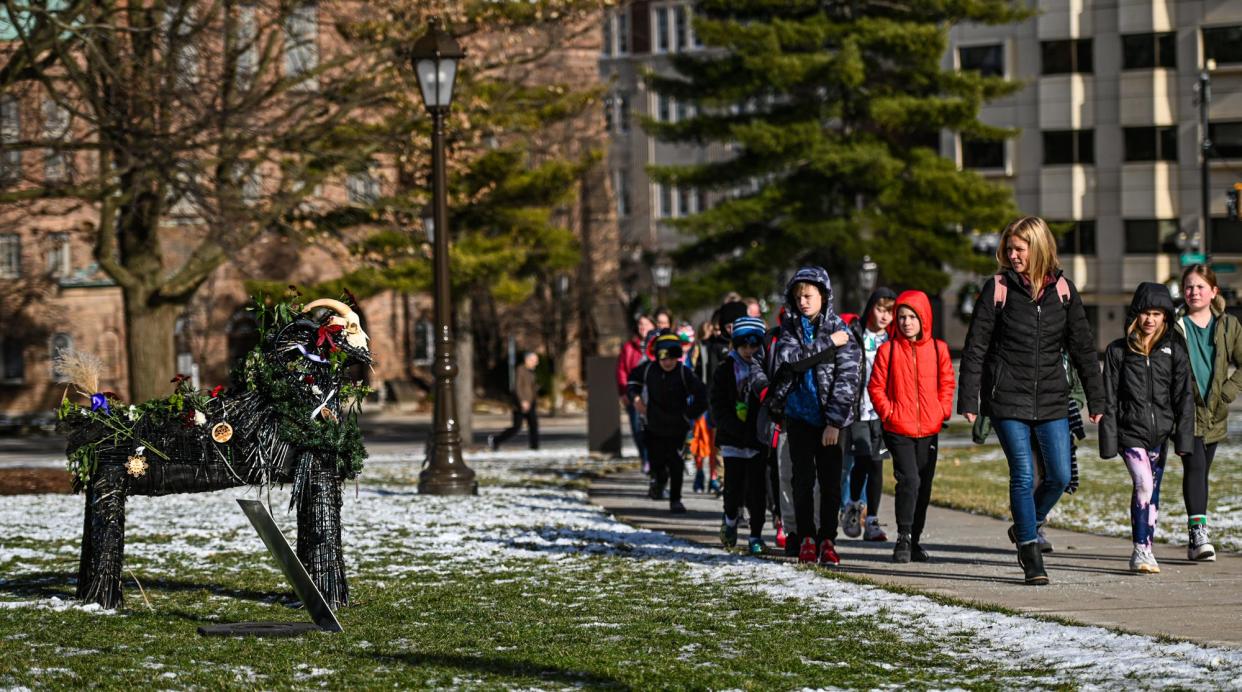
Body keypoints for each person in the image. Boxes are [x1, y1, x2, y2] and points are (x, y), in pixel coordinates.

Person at [958, 216, 1105, 586]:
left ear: (1038, 247)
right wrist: (969, 397)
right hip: (1007, 399)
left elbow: (1084, 349)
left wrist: (1097, 399)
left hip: (1053, 399)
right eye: (1009, 248)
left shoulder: (1064, 291)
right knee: (1023, 474)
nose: (1011, 254)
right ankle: (1029, 549)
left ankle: (1027, 522)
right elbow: (975, 347)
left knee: (1060, 475)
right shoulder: (998, 288)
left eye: (1019, 248)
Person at [766, 267, 860, 566]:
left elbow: (848, 379)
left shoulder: (844, 329)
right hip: (798, 417)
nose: (803, 302)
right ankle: (806, 538)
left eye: (808, 295)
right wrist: (829, 344)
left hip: (830, 421)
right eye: (797, 297)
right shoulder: (790, 331)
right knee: (801, 481)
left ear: (823, 295)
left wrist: (834, 421)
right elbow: (790, 361)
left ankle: (827, 540)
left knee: (831, 482)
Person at [1099, 282, 1194, 574]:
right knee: (1143, 484)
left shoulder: (1175, 352)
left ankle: (1146, 551)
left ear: (1165, 316)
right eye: (1144, 313)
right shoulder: (1118, 352)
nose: (1150, 320)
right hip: (1130, 433)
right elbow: (1109, 399)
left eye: (1156, 313)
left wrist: (1184, 439)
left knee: (1152, 492)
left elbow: (1184, 396)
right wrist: (1109, 441)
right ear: (1135, 315)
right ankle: (1140, 550)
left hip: (1160, 435)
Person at [867, 291, 955, 563]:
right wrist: (889, 412)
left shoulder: (938, 348)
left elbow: (947, 383)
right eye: (901, 317)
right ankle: (903, 538)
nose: (906, 322)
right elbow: (876, 387)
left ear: (923, 318)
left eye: (912, 317)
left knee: (924, 485)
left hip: (929, 428)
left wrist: (941, 411)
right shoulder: (888, 349)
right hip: (898, 428)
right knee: (909, 481)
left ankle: (915, 539)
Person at [1173, 264, 1242, 561]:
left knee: (1202, 472)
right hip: (1184, 412)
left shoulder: (1229, 326)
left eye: (1200, 286)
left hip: (1215, 412)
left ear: (1213, 291)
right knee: (1196, 467)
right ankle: (1198, 534)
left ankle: (1196, 538)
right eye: (1189, 286)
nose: (1194, 292)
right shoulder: (1173, 326)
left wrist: (1228, 391)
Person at [627, 332, 708, 513]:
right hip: (653, 426)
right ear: (657, 357)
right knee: (657, 462)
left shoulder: (683, 372)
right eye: (663, 358)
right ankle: (660, 481)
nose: (667, 362)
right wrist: (636, 398)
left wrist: (689, 415)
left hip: (677, 427)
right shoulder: (649, 369)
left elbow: (702, 395)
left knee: (676, 463)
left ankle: (676, 500)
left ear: (677, 356)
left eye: (671, 358)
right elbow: (632, 381)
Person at [711, 316, 770, 554]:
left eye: (754, 345)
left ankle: (755, 534)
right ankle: (730, 518)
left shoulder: (765, 369)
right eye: (743, 345)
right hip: (732, 439)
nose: (748, 351)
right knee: (733, 487)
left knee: (757, 491)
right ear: (735, 345)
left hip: (757, 438)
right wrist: (732, 426)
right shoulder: (725, 369)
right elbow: (717, 404)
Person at [842, 287, 896, 542]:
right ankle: (853, 505)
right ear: (871, 307)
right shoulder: (855, 333)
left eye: (890, 311)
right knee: (861, 459)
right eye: (880, 309)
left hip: (882, 412)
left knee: (877, 464)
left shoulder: (892, 339)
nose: (885, 316)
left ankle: (872, 519)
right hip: (858, 409)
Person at [617, 315, 656, 470]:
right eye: (640, 324)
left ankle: (653, 460)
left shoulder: (658, 345)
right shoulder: (629, 346)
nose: (642, 327)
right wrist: (624, 392)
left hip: (655, 395)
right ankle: (645, 458)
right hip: (635, 395)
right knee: (637, 429)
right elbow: (621, 371)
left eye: (646, 324)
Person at [489, 351, 541, 451]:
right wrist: (523, 401)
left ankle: (535, 447)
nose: (536, 363)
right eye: (534, 360)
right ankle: (496, 440)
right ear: (527, 360)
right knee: (516, 427)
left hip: (531, 402)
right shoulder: (520, 370)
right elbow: (517, 387)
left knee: (533, 425)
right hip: (521, 403)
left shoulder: (531, 371)